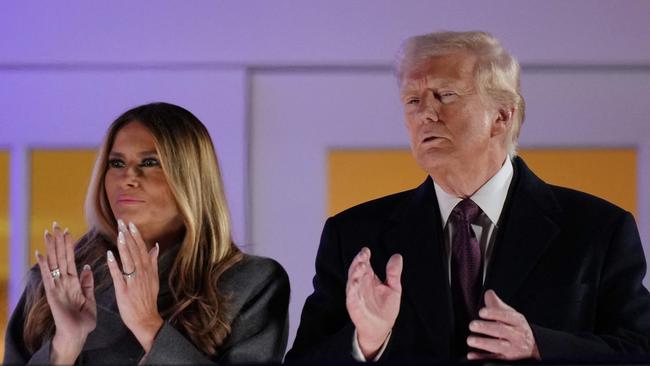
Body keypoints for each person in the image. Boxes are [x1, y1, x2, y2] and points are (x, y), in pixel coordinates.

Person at [286, 31, 650, 362]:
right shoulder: (352, 234)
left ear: (502, 116)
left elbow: (640, 351)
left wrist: (540, 345)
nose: (425, 113)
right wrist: (365, 342)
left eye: (445, 95)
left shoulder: (598, 229)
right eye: (413, 100)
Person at [4, 102, 290, 364]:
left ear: (192, 179)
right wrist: (64, 345)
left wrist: (148, 326)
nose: (128, 176)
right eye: (117, 163)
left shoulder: (252, 283)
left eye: (150, 162)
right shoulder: (53, 283)